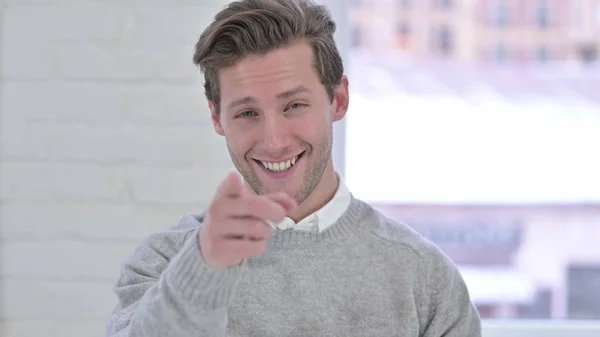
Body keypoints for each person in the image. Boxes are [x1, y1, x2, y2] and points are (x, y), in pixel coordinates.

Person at [106, 0, 482, 336]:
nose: (273, 141)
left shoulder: (423, 277)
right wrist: (203, 271)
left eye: (294, 106)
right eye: (247, 113)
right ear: (217, 118)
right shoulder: (164, 263)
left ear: (338, 100)